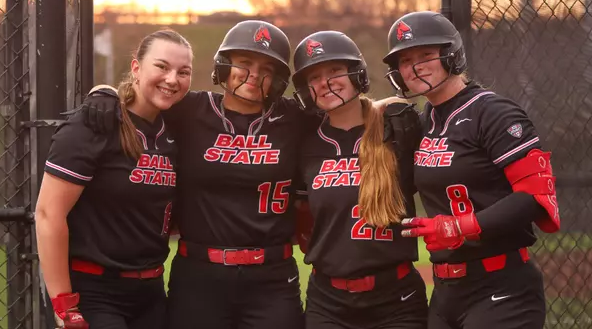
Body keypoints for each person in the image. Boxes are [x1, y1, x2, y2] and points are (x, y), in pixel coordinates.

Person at [82, 20, 307, 329]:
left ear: (279, 79)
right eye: (244, 63)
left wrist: (392, 106)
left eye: (267, 68)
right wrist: (104, 91)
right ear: (224, 66)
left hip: (272, 276)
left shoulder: (294, 117)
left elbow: (358, 111)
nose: (254, 74)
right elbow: (141, 97)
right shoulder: (188, 110)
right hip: (199, 274)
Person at [383, 11, 559, 329]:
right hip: (445, 292)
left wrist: (458, 227)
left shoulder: (493, 112)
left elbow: (534, 198)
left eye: (425, 54)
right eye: (405, 60)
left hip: (502, 287)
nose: (415, 66)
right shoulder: (421, 122)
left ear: (451, 54)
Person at [35, 29, 193, 329]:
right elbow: (47, 214)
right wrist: (64, 304)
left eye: (183, 72)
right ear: (136, 67)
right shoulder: (96, 123)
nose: (172, 79)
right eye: (162, 66)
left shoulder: (174, 129)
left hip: (151, 292)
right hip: (94, 291)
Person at [291, 31, 428, 329]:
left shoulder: (398, 127)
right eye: (313, 77)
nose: (325, 82)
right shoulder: (305, 143)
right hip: (328, 300)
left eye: (335, 71)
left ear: (357, 74)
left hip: (396, 298)